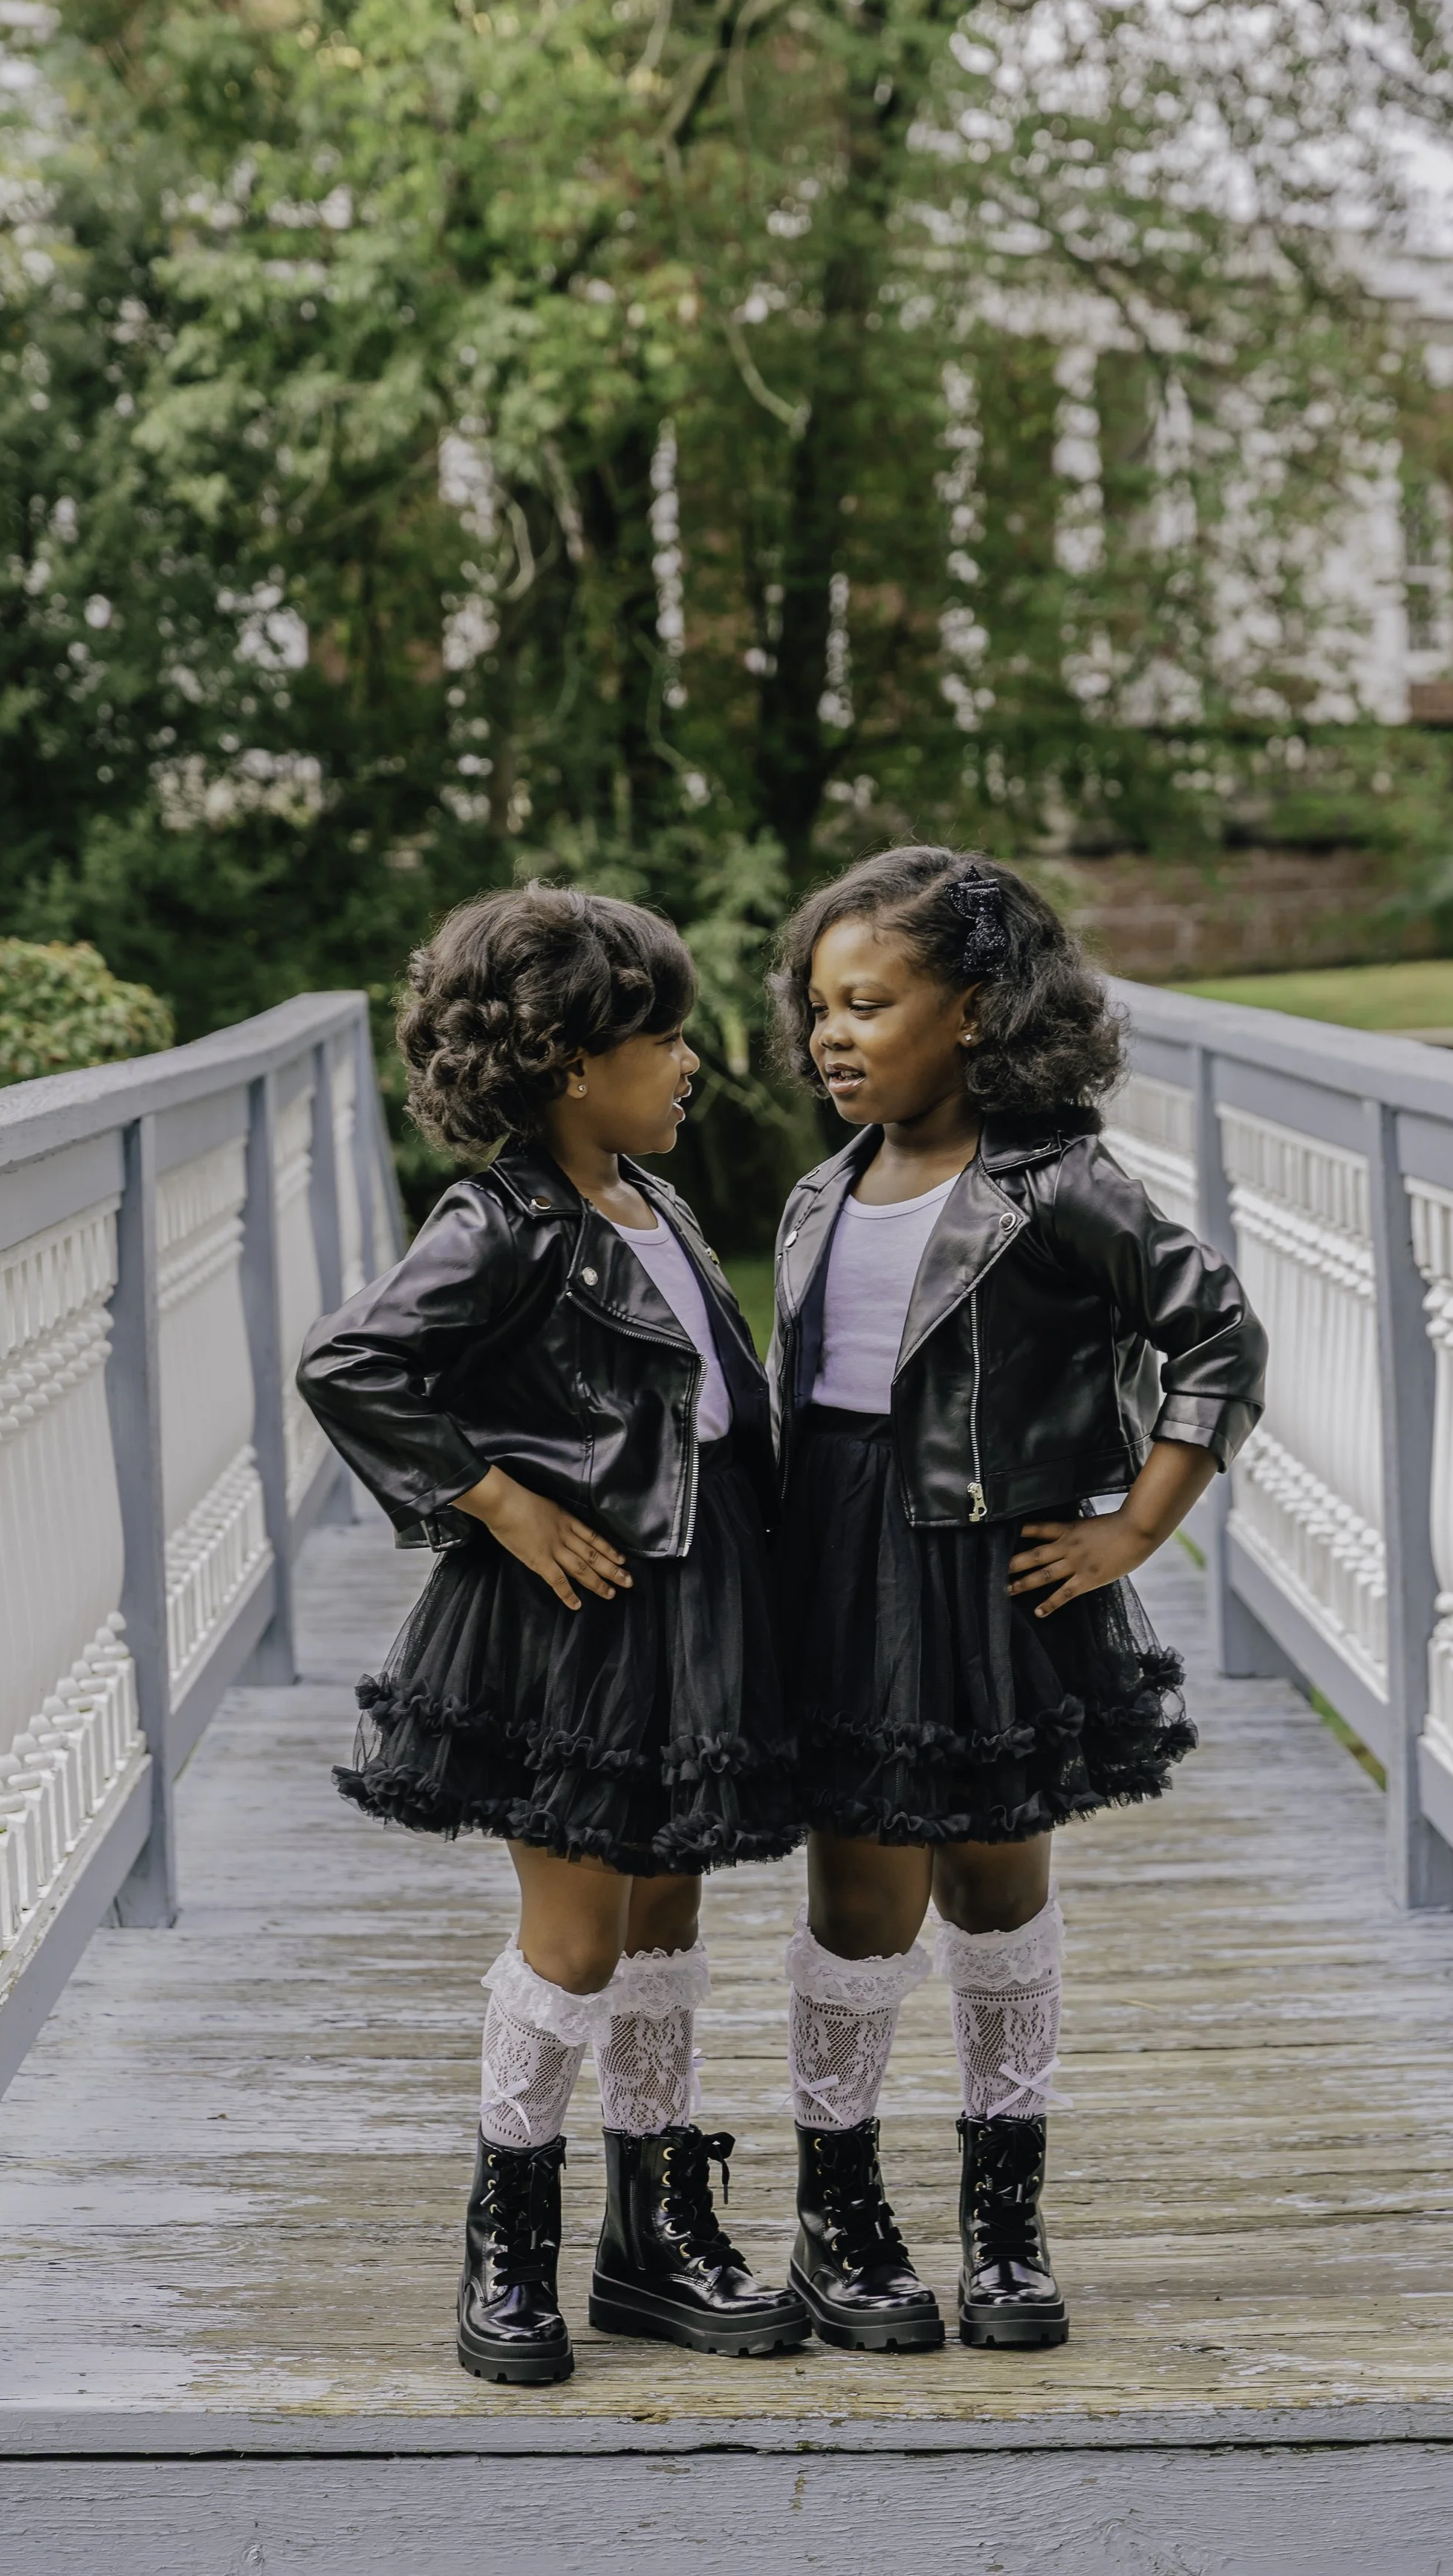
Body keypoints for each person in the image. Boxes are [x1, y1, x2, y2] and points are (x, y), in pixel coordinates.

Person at [298, 885, 807, 2387]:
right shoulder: (501, 1221)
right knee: (576, 1935)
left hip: (696, 1594)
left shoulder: (657, 1206)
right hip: (576, 1618)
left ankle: (650, 2233)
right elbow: (352, 1362)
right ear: (572, 1063)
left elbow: (713, 1402)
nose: (689, 1059)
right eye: (661, 1037)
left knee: (665, 1915)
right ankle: (507, 2239)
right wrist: (498, 1505)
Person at [765, 846, 1266, 2355]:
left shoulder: (1058, 1186)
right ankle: (835, 2215)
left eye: (867, 1004)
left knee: (995, 1884)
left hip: (991, 1571)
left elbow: (1215, 1339)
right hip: (837, 1565)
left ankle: (1002, 2221)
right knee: (861, 1899)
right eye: (813, 1011)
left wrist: (1132, 1533)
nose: (828, 1036)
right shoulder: (817, 1191)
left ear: (975, 1012)